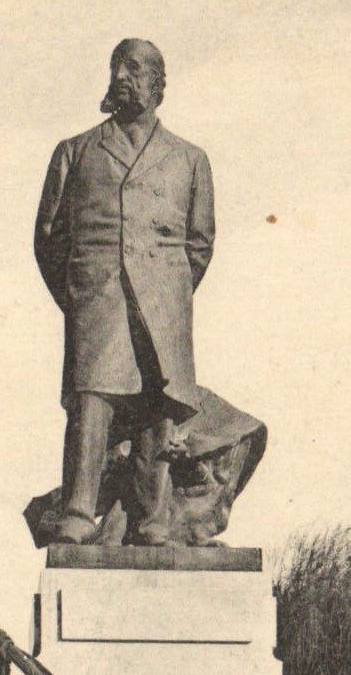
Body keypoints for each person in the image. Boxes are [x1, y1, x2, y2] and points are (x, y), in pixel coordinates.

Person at [34, 38, 215, 546]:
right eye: (116, 66)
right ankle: (76, 512)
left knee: (159, 403)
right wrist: (81, 292)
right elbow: (48, 240)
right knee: (93, 401)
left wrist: (167, 290)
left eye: (134, 68)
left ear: (159, 84)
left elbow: (199, 244)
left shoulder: (190, 159)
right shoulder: (76, 151)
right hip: (99, 298)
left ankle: (153, 519)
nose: (122, 76)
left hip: (163, 303)